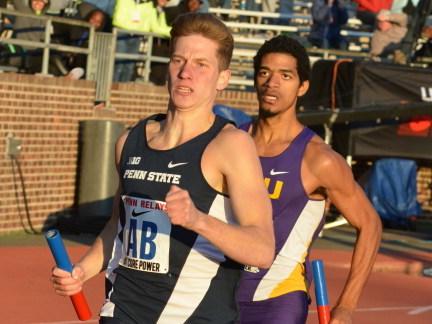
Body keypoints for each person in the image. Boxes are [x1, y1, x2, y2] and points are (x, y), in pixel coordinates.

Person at [51, 13, 275, 323]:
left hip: (195, 315)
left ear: (222, 78)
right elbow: (118, 226)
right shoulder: (130, 141)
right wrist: (82, 270)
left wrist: (197, 220)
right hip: (123, 308)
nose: (186, 73)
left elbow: (262, 250)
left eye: (201, 64)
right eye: (178, 60)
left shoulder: (231, 146)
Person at [235, 35, 382, 324]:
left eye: (285, 75)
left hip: (278, 301)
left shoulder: (318, 159)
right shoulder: (232, 142)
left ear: (302, 86)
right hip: (219, 294)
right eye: (264, 73)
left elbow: (371, 225)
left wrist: (347, 306)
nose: (272, 83)